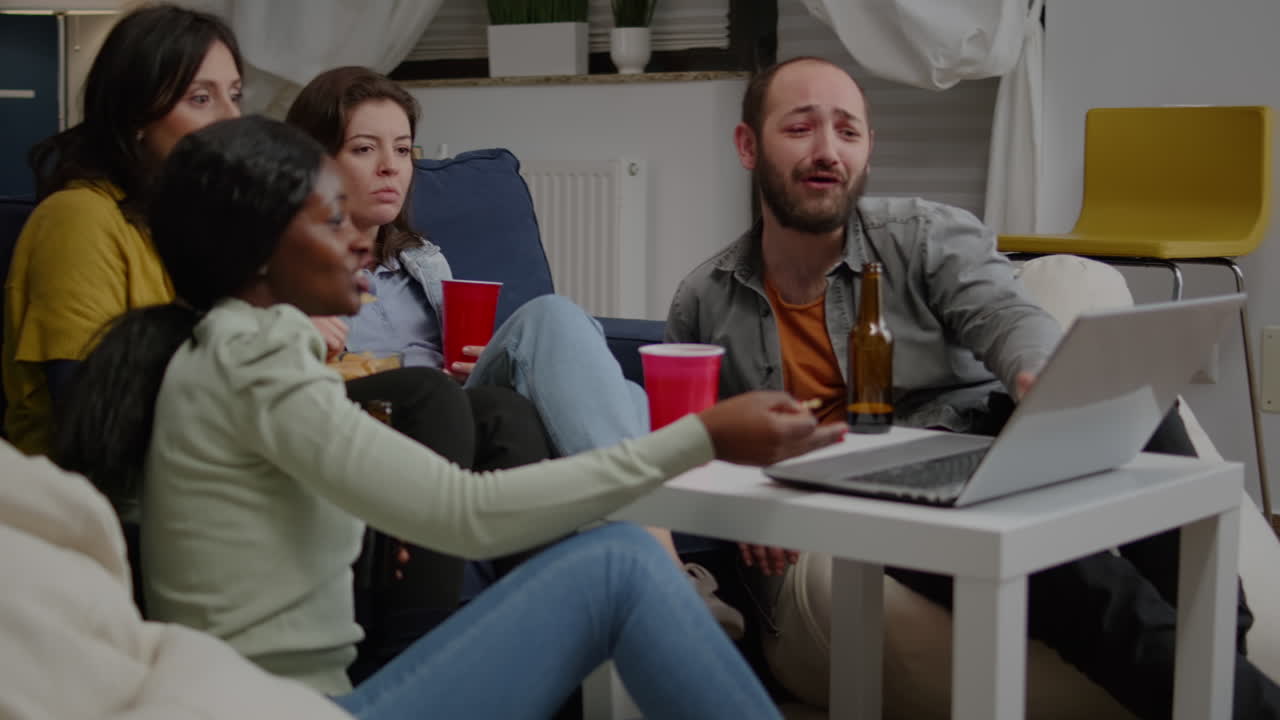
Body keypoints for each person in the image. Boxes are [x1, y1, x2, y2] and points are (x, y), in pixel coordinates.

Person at [59, 114, 845, 718]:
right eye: (333, 221)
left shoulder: (230, 350)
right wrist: (702, 435)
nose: (362, 241)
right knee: (622, 564)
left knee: (619, 552)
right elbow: (465, 513)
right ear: (261, 251)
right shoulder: (254, 360)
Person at [665, 56, 1280, 718]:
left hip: (981, 440)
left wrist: (1038, 373)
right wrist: (754, 504)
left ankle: (1226, 652)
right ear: (748, 146)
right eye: (799, 128)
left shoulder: (923, 233)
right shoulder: (705, 300)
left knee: (1137, 403)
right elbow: (700, 447)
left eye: (848, 131)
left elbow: (1008, 315)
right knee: (1088, 584)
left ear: (870, 148)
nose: (827, 151)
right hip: (874, 500)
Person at [283, 65, 745, 638]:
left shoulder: (423, 259)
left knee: (576, 349)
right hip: (386, 423)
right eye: (364, 148)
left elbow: (455, 367)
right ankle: (666, 567)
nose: (390, 167)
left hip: (460, 408)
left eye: (402, 149)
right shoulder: (285, 271)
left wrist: (473, 366)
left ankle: (638, 567)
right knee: (576, 351)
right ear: (315, 162)